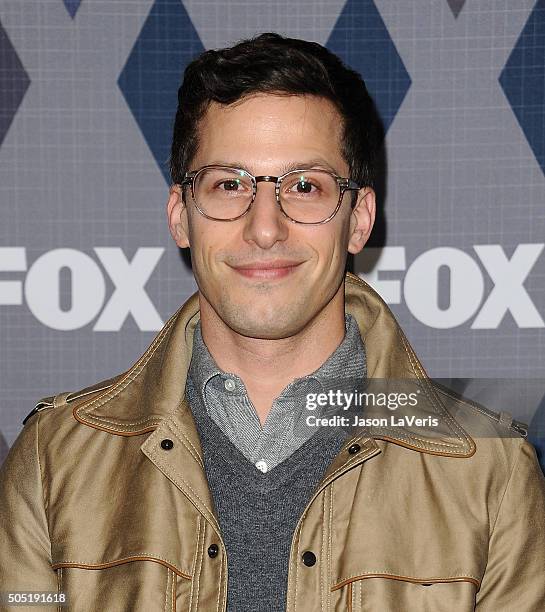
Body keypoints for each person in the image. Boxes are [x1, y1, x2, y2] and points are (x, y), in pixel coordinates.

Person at [0, 33, 544, 612]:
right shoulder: (55, 458)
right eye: (229, 185)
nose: (265, 228)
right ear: (180, 217)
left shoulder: (490, 469)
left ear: (358, 219)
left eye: (305, 187)